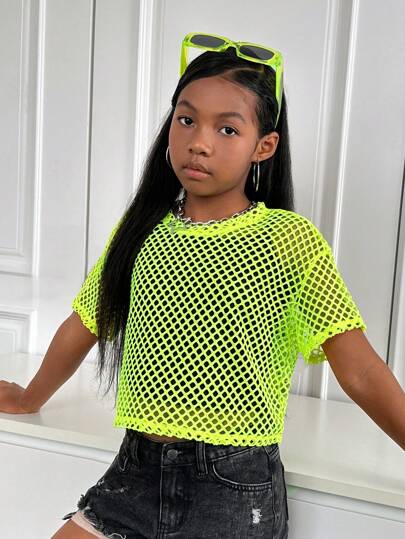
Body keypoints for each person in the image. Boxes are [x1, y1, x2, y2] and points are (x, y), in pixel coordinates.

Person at [1, 32, 404, 539]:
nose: (200, 142)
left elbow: (360, 368)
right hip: (134, 474)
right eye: (186, 120)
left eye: (228, 129)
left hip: (233, 492)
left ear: (264, 146)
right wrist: (29, 397)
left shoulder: (288, 240)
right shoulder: (141, 231)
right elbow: (86, 322)